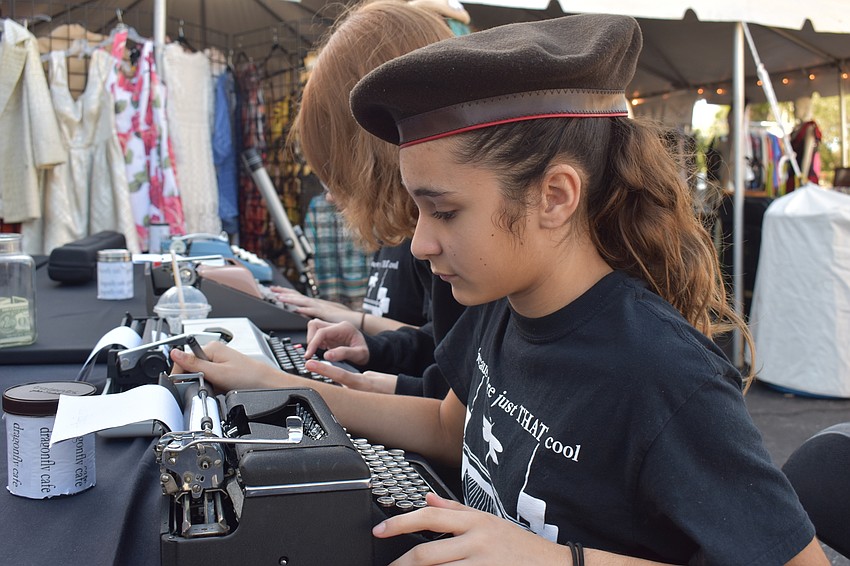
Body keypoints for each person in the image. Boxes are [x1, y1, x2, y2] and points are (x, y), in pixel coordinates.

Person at [172, 13, 829, 565]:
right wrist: (281, 386)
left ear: (555, 197)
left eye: (444, 211)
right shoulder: (499, 306)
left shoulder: (664, 376)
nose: (420, 243)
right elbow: (446, 423)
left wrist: (556, 560)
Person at [275, 0, 465, 396]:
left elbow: (453, 401)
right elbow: (443, 347)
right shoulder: (410, 224)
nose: (332, 197)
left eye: (339, 170)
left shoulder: (447, 241)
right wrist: (369, 341)